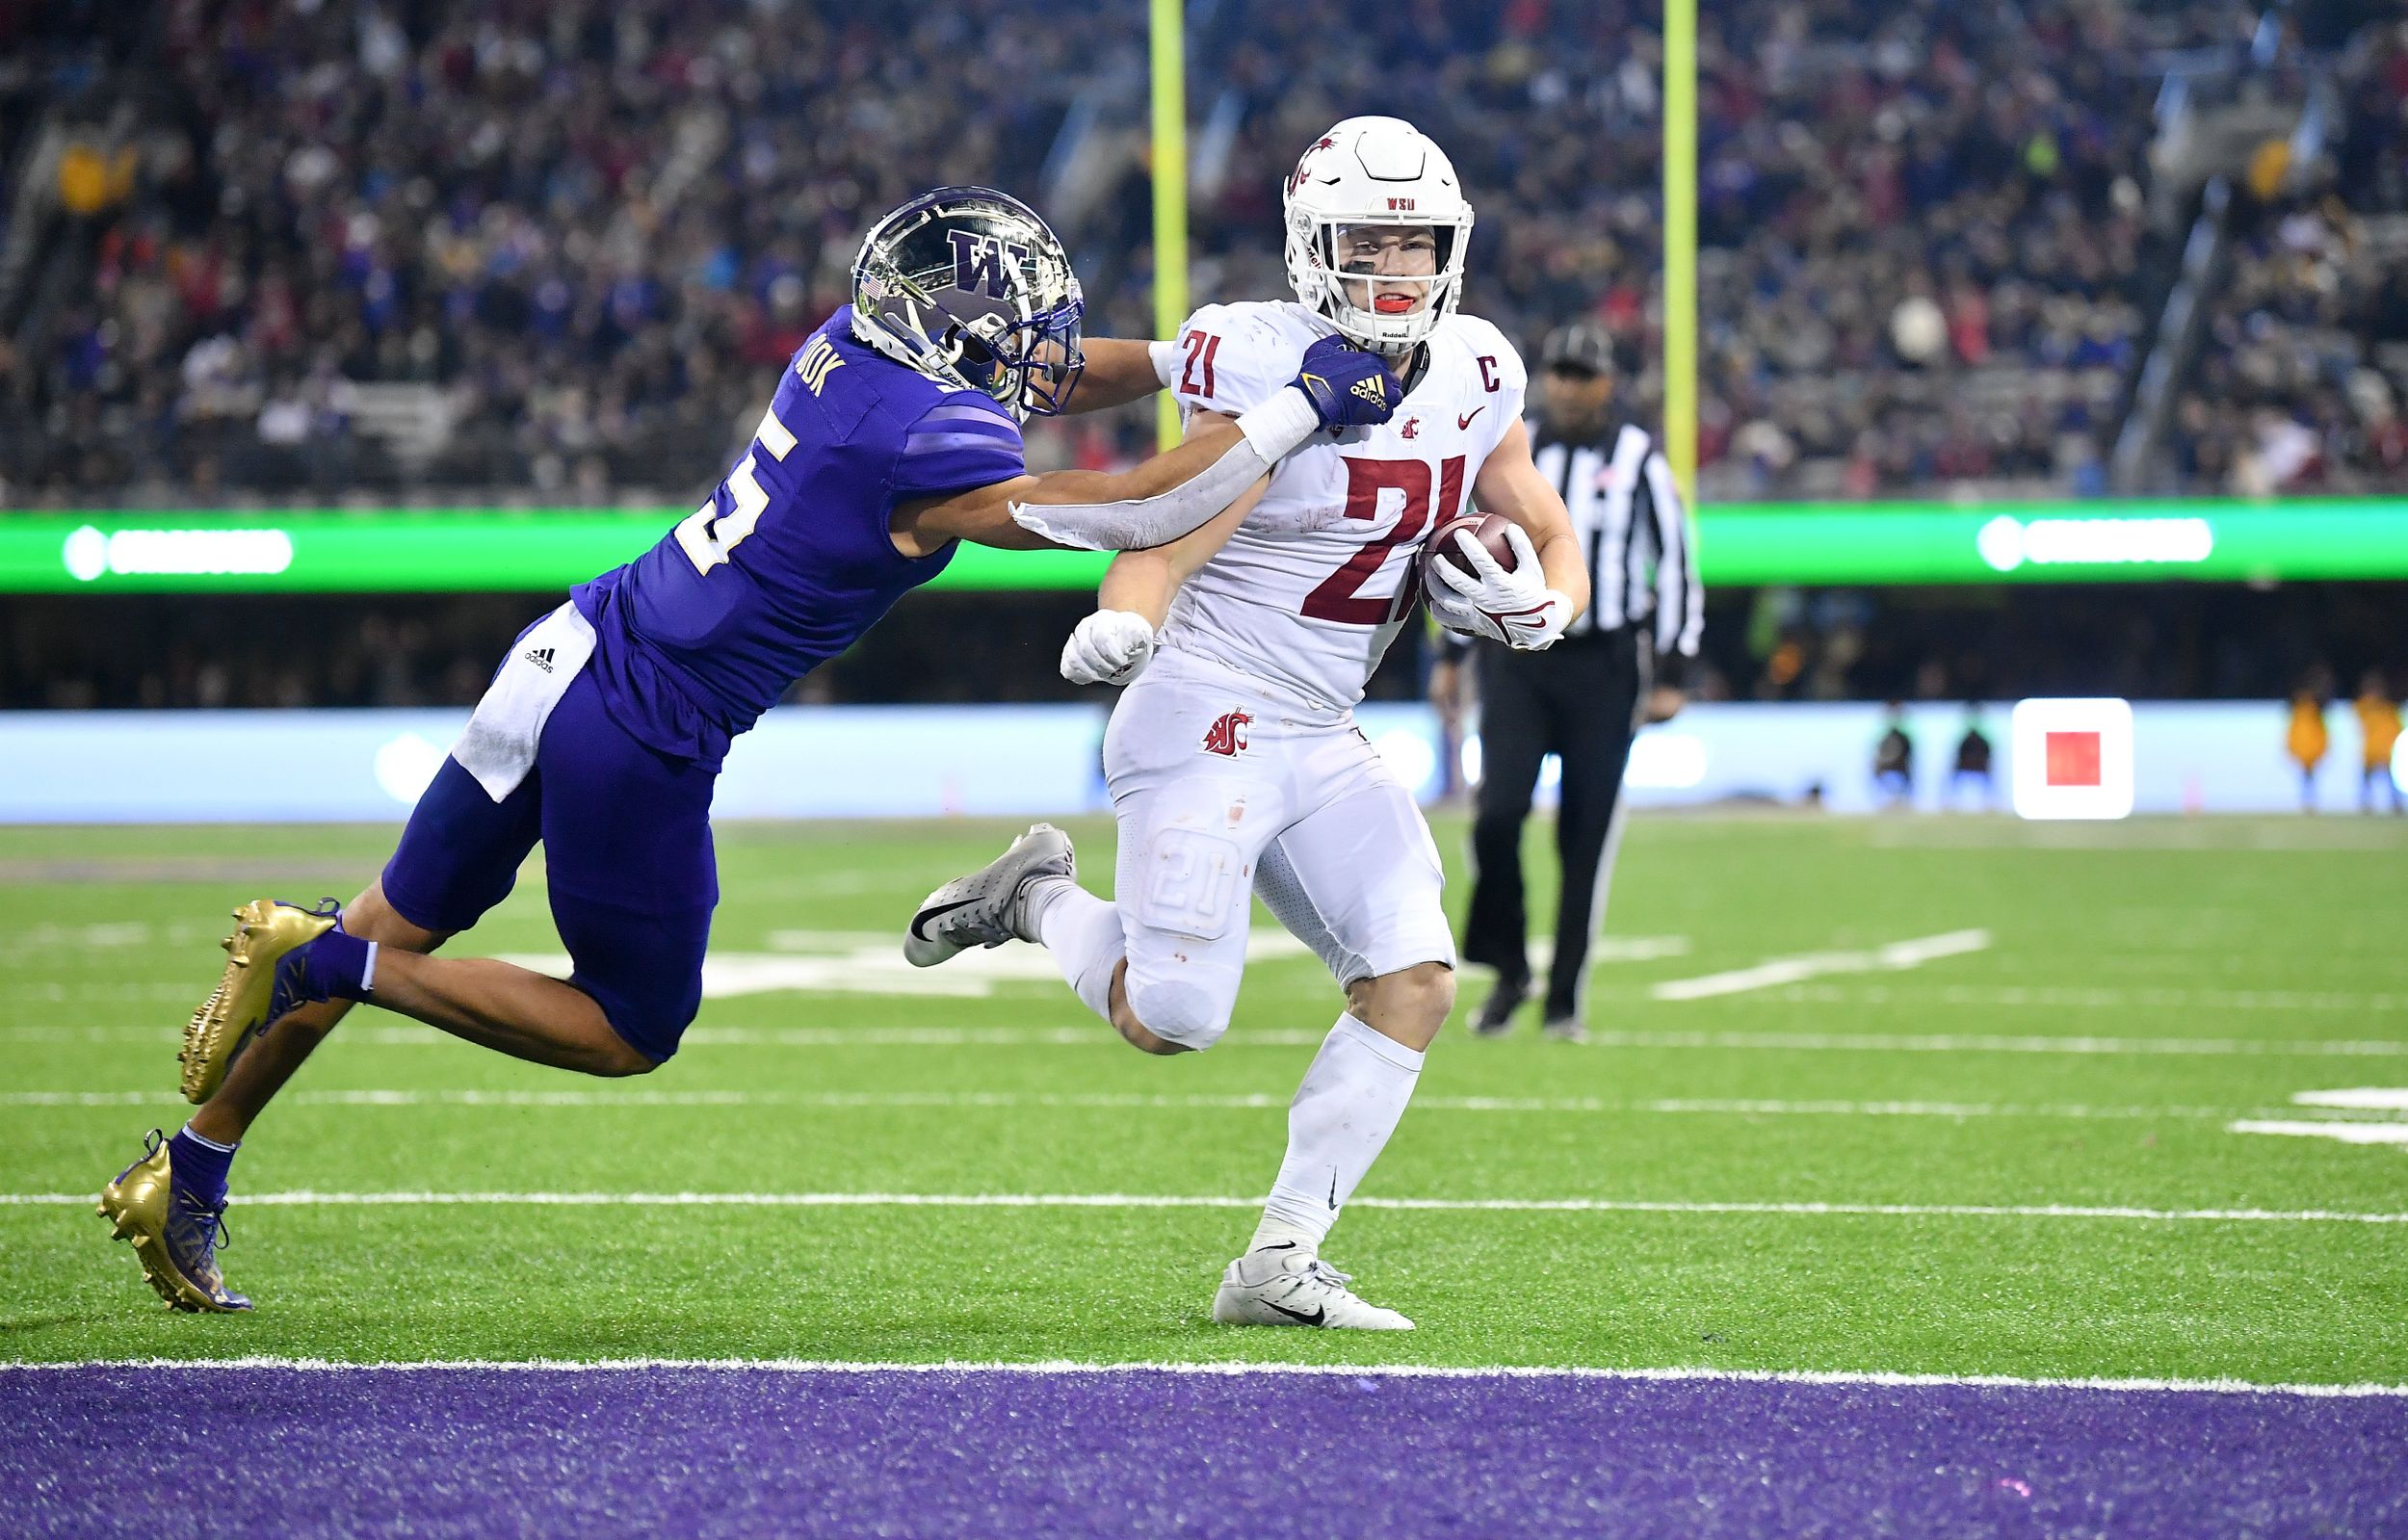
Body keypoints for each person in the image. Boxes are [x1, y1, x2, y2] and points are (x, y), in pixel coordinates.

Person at [96, 185, 1403, 1314]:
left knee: (407, 910)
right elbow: (1147, 507)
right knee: (623, 1024)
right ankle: (322, 958)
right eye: (1030, 329)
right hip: (644, 725)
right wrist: (1285, 412)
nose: (1050, 352)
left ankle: (190, 1169)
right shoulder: (928, 443)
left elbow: (1059, 379)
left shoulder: (849, 350)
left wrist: (1206, 364)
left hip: (570, 646)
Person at [904, 117, 1589, 1330]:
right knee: (1170, 1017)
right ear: (1312, 246)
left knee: (1415, 979)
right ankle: (1033, 899)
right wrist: (1129, 613)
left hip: (1324, 727)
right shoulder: (1260, 354)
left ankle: (1278, 1264)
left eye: (1416, 241)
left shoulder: (1479, 366)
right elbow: (1180, 510)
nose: (1396, 268)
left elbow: (1540, 517)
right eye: (1368, 241)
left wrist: (1547, 608)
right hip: (1207, 703)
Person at [1434, 322, 1701, 1041]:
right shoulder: (1511, 451)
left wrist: (1673, 669)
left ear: (1607, 383)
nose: (1566, 386)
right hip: (1516, 661)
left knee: (1584, 836)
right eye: (1557, 372)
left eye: (1581, 374)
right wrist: (1451, 657)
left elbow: (1674, 562)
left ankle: (1563, 1000)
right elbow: (1458, 552)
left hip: (1603, 662)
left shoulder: (1640, 458)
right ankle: (1509, 965)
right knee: (1496, 818)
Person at [2353, 670, 2401, 815]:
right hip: (2371, 750)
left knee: (2390, 780)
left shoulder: (2387, 709)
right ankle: (2366, 804)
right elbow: (2359, 713)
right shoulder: (2366, 707)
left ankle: (2396, 804)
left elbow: (2396, 727)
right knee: (2366, 778)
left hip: (2385, 750)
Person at [2288, 682, 2330, 813]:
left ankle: (2309, 802)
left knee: (2308, 777)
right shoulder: (2299, 714)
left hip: (2310, 751)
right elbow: (2294, 733)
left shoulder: (2314, 714)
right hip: (2305, 750)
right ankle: (2307, 802)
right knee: (2306, 777)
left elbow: (2320, 733)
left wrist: (2320, 749)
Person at [1950, 703, 1995, 811]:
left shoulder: (1982, 740)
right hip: (1965, 769)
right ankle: (1954, 803)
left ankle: (1988, 804)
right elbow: (1959, 756)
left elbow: (1987, 756)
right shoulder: (1965, 740)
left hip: (1979, 769)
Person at [1873, 703, 1914, 809]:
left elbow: (1909, 754)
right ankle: (1885, 802)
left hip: (1902, 765)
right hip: (1885, 764)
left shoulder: (1904, 738)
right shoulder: (1884, 737)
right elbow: (1879, 754)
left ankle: (1902, 801)